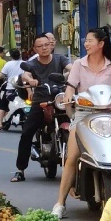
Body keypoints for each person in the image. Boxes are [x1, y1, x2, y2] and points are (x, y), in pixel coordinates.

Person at [52, 28, 111, 216]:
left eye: (90, 40)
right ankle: (60, 203)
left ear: (101, 44)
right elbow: (70, 87)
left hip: (110, 113)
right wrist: (68, 98)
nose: (86, 44)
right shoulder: (78, 64)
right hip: (84, 114)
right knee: (72, 157)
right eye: (86, 41)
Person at [11, 34, 71, 182]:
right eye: (40, 46)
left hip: (60, 100)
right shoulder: (32, 64)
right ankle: (20, 170)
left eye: (46, 44)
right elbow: (25, 75)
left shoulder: (60, 59)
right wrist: (30, 80)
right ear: (35, 49)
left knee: (79, 128)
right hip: (41, 101)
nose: (44, 48)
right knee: (26, 134)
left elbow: (72, 68)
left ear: (51, 45)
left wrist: (71, 74)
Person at [0, 48, 24, 131]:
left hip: (10, 89)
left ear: (11, 56)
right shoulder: (25, 63)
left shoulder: (8, 64)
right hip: (23, 89)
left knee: (2, 105)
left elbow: (1, 75)